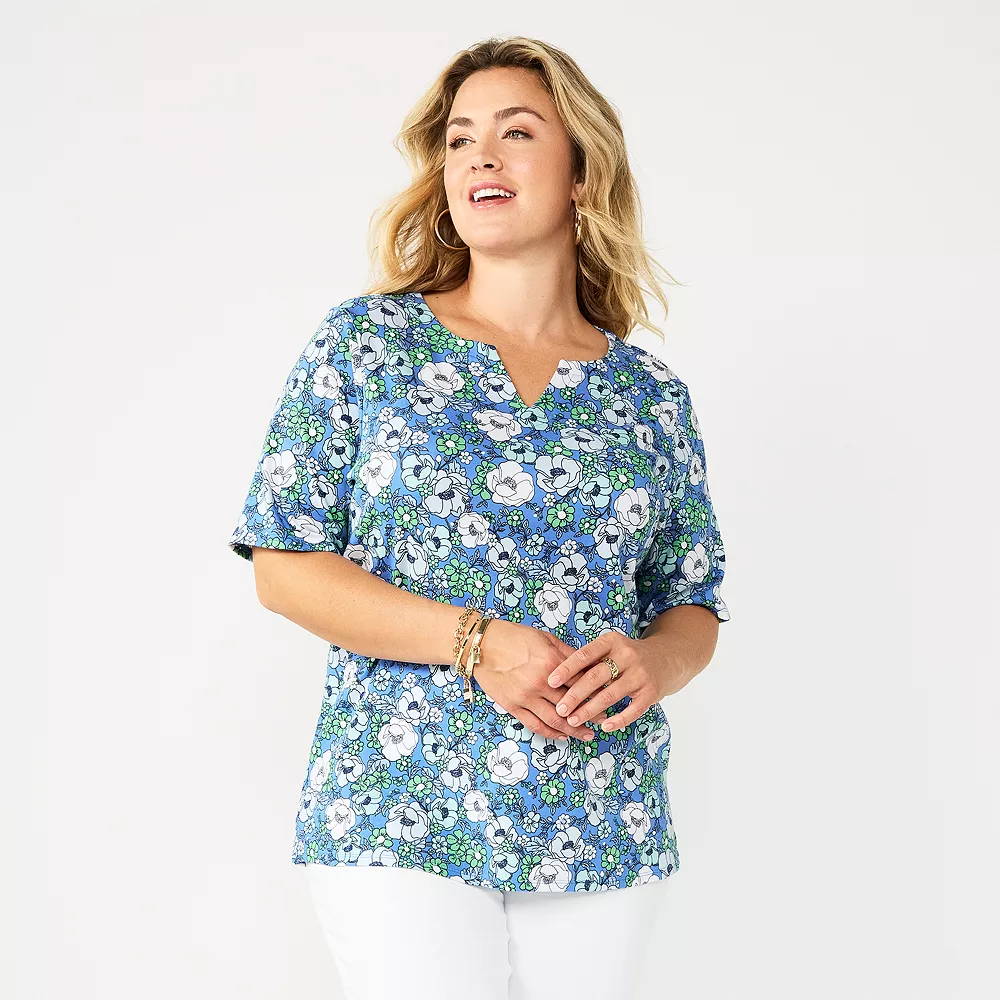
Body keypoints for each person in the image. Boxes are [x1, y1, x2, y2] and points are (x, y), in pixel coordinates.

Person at [227, 35, 731, 1000]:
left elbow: (691, 601)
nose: (480, 157)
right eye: (460, 139)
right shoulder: (367, 343)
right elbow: (283, 567)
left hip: (601, 810)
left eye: (516, 132)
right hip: (397, 799)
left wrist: (656, 663)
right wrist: (478, 642)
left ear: (582, 173)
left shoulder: (650, 397)